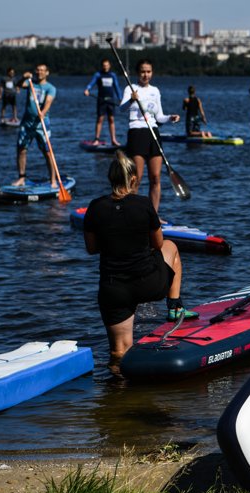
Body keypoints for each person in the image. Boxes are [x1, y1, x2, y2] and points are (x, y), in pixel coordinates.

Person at [83, 151, 198, 367]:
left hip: (114, 288)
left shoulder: (95, 207)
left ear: (110, 178)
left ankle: (119, 391)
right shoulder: (144, 204)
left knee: (119, 350)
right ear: (134, 179)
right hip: (148, 282)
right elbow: (157, 243)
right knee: (171, 246)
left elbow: (91, 248)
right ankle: (174, 307)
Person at [119, 59, 180, 213]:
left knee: (155, 178)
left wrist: (170, 118)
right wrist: (131, 100)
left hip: (153, 133)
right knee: (136, 178)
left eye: (148, 71)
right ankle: (132, 213)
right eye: (142, 72)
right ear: (138, 73)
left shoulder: (155, 90)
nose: (146, 75)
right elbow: (122, 108)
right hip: (137, 132)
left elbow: (159, 117)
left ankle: (153, 215)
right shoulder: (130, 88)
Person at [11, 64, 57, 188]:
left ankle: (53, 180)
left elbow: (48, 102)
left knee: (47, 152)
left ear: (47, 73)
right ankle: (22, 178)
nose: (39, 72)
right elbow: (19, 85)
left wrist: (42, 112)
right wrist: (22, 77)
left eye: (42, 70)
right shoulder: (31, 83)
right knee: (21, 149)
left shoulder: (50, 88)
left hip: (41, 124)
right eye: (37, 70)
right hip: (27, 123)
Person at [83, 59, 123, 146]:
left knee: (111, 119)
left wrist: (120, 98)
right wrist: (87, 89)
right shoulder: (98, 75)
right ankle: (96, 139)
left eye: (107, 65)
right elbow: (91, 83)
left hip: (111, 100)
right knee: (100, 119)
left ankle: (113, 140)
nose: (105, 67)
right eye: (104, 65)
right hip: (101, 100)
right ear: (102, 66)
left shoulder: (112, 75)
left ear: (109, 66)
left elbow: (116, 87)